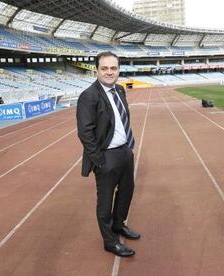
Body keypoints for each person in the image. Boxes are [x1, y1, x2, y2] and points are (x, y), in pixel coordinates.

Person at [76, 51, 140, 257]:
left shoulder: (120, 90)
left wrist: (129, 146)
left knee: (127, 191)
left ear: (119, 69)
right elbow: (85, 132)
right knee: (105, 201)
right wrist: (99, 160)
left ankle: (119, 224)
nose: (109, 72)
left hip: (125, 151)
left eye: (113, 68)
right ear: (97, 70)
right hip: (106, 156)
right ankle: (110, 241)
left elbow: (122, 119)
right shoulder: (89, 96)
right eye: (104, 68)